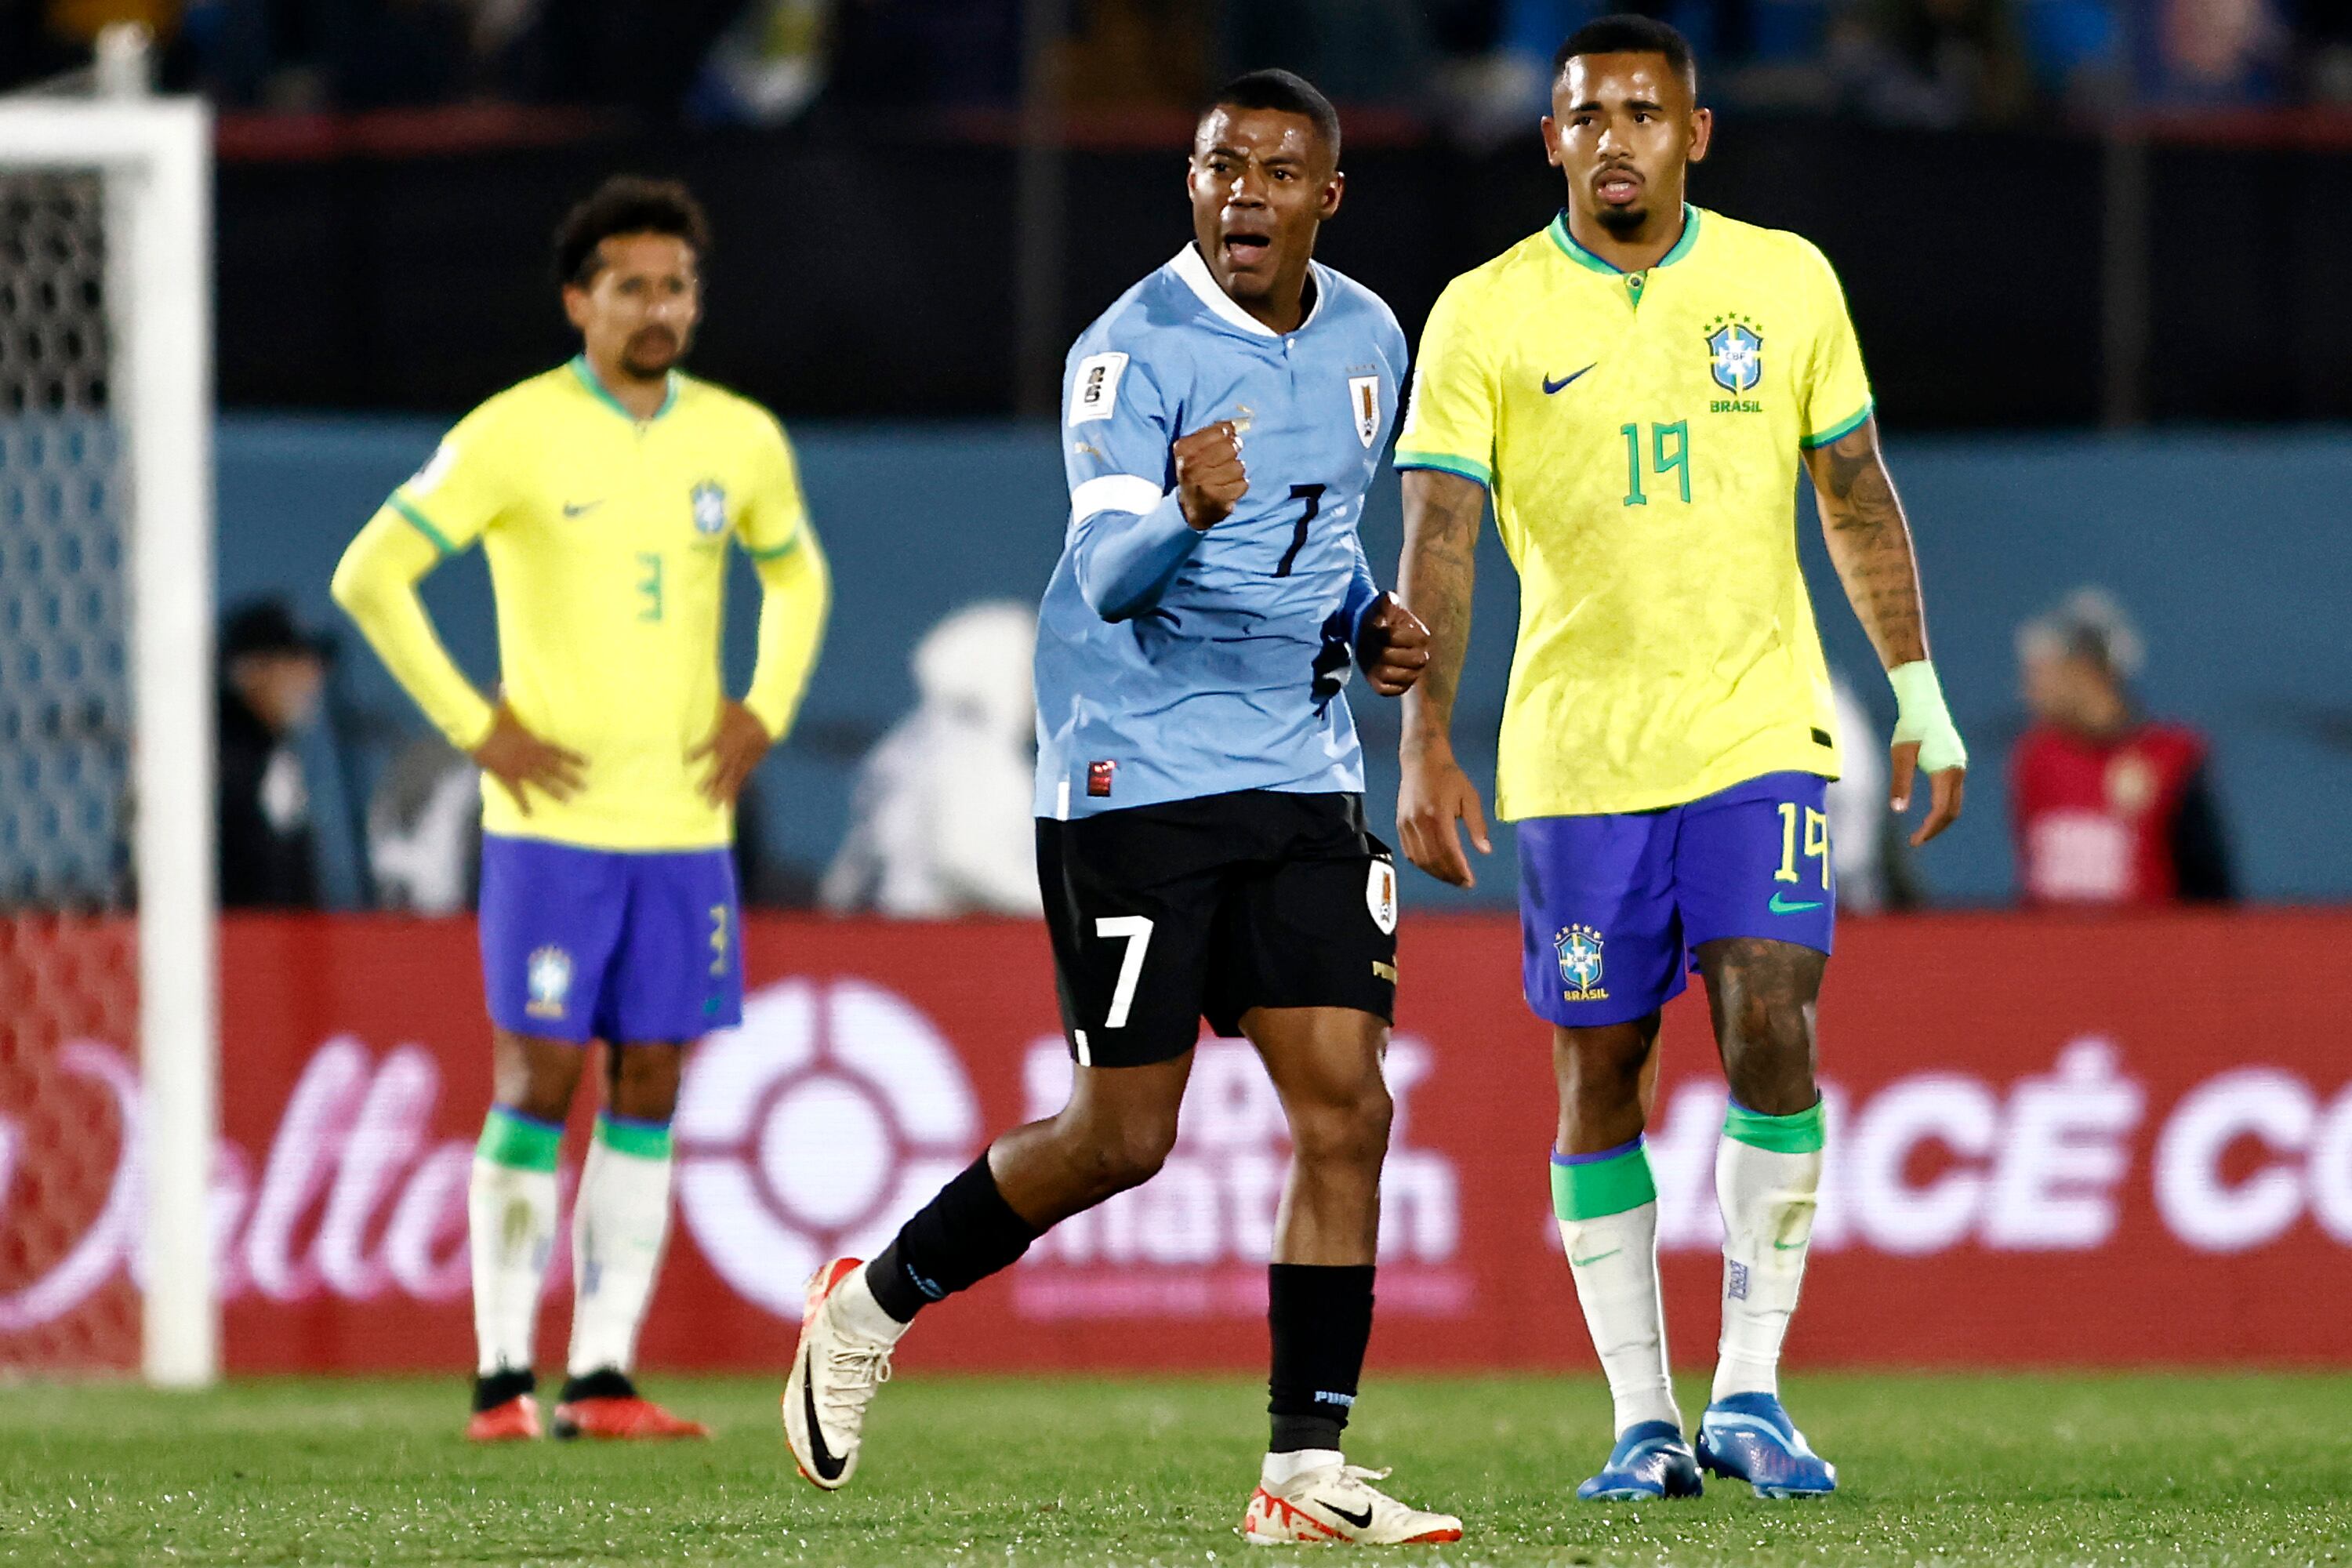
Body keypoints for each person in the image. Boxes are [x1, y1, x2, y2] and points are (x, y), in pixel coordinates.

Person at [778, 70, 1462, 1547]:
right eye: (1222, 168)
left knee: (1349, 1108)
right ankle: (872, 1301)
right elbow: (1108, 578)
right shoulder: (1128, 352)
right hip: (1133, 770)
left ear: (1327, 198)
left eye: (1279, 174)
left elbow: (1326, 536)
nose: (1246, 196)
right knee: (1121, 1136)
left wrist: (1368, 626)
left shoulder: (1366, 336)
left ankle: (1302, 1472)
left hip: (1300, 765)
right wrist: (1182, 510)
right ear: (1194, 182)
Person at [1392, 14, 1968, 1502]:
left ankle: (1753, 1394)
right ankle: (1643, 1418)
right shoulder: (1485, 312)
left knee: (1771, 1015)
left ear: (1695, 134)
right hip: (1577, 754)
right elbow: (1440, 541)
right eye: (1588, 117)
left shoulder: (1781, 282)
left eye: (1646, 113)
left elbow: (1852, 491)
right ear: (1552, 141)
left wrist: (1920, 691)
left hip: (1759, 728)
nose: (1617, 140)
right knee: (1604, 1069)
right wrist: (1423, 746)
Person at [328, 176, 831, 1443]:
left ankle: (601, 1376)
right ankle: (503, 1378)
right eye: (630, 287)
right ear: (579, 300)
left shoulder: (740, 438)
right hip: (549, 826)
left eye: (676, 286)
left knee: (650, 1079)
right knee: (538, 1075)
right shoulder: (512, 434)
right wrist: (475, 728)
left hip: (683, 829)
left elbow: (798, 570)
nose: (658, 308)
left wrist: (763, 706)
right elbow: (370, 574)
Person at [819, 600, 1044, 919]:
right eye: (1032, 672)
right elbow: (965, 858)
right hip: (930, 944)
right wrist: (1063, 907)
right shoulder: (972, 750)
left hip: (888, 936)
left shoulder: (913, 742)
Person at [2011, 587, 2233, 906]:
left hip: (2149, 948)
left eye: (2042, 673)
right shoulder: (2035, 759)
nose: (2029, 691)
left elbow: (2208, 882)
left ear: (2086, 670)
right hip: (2052, 949)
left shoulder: (2171, 758)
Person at [216, 597, 329, 909]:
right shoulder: (223, 755)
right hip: (234, 947)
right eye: (293, 662)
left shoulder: (271, 751)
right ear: (251, 671)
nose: (311, 678)